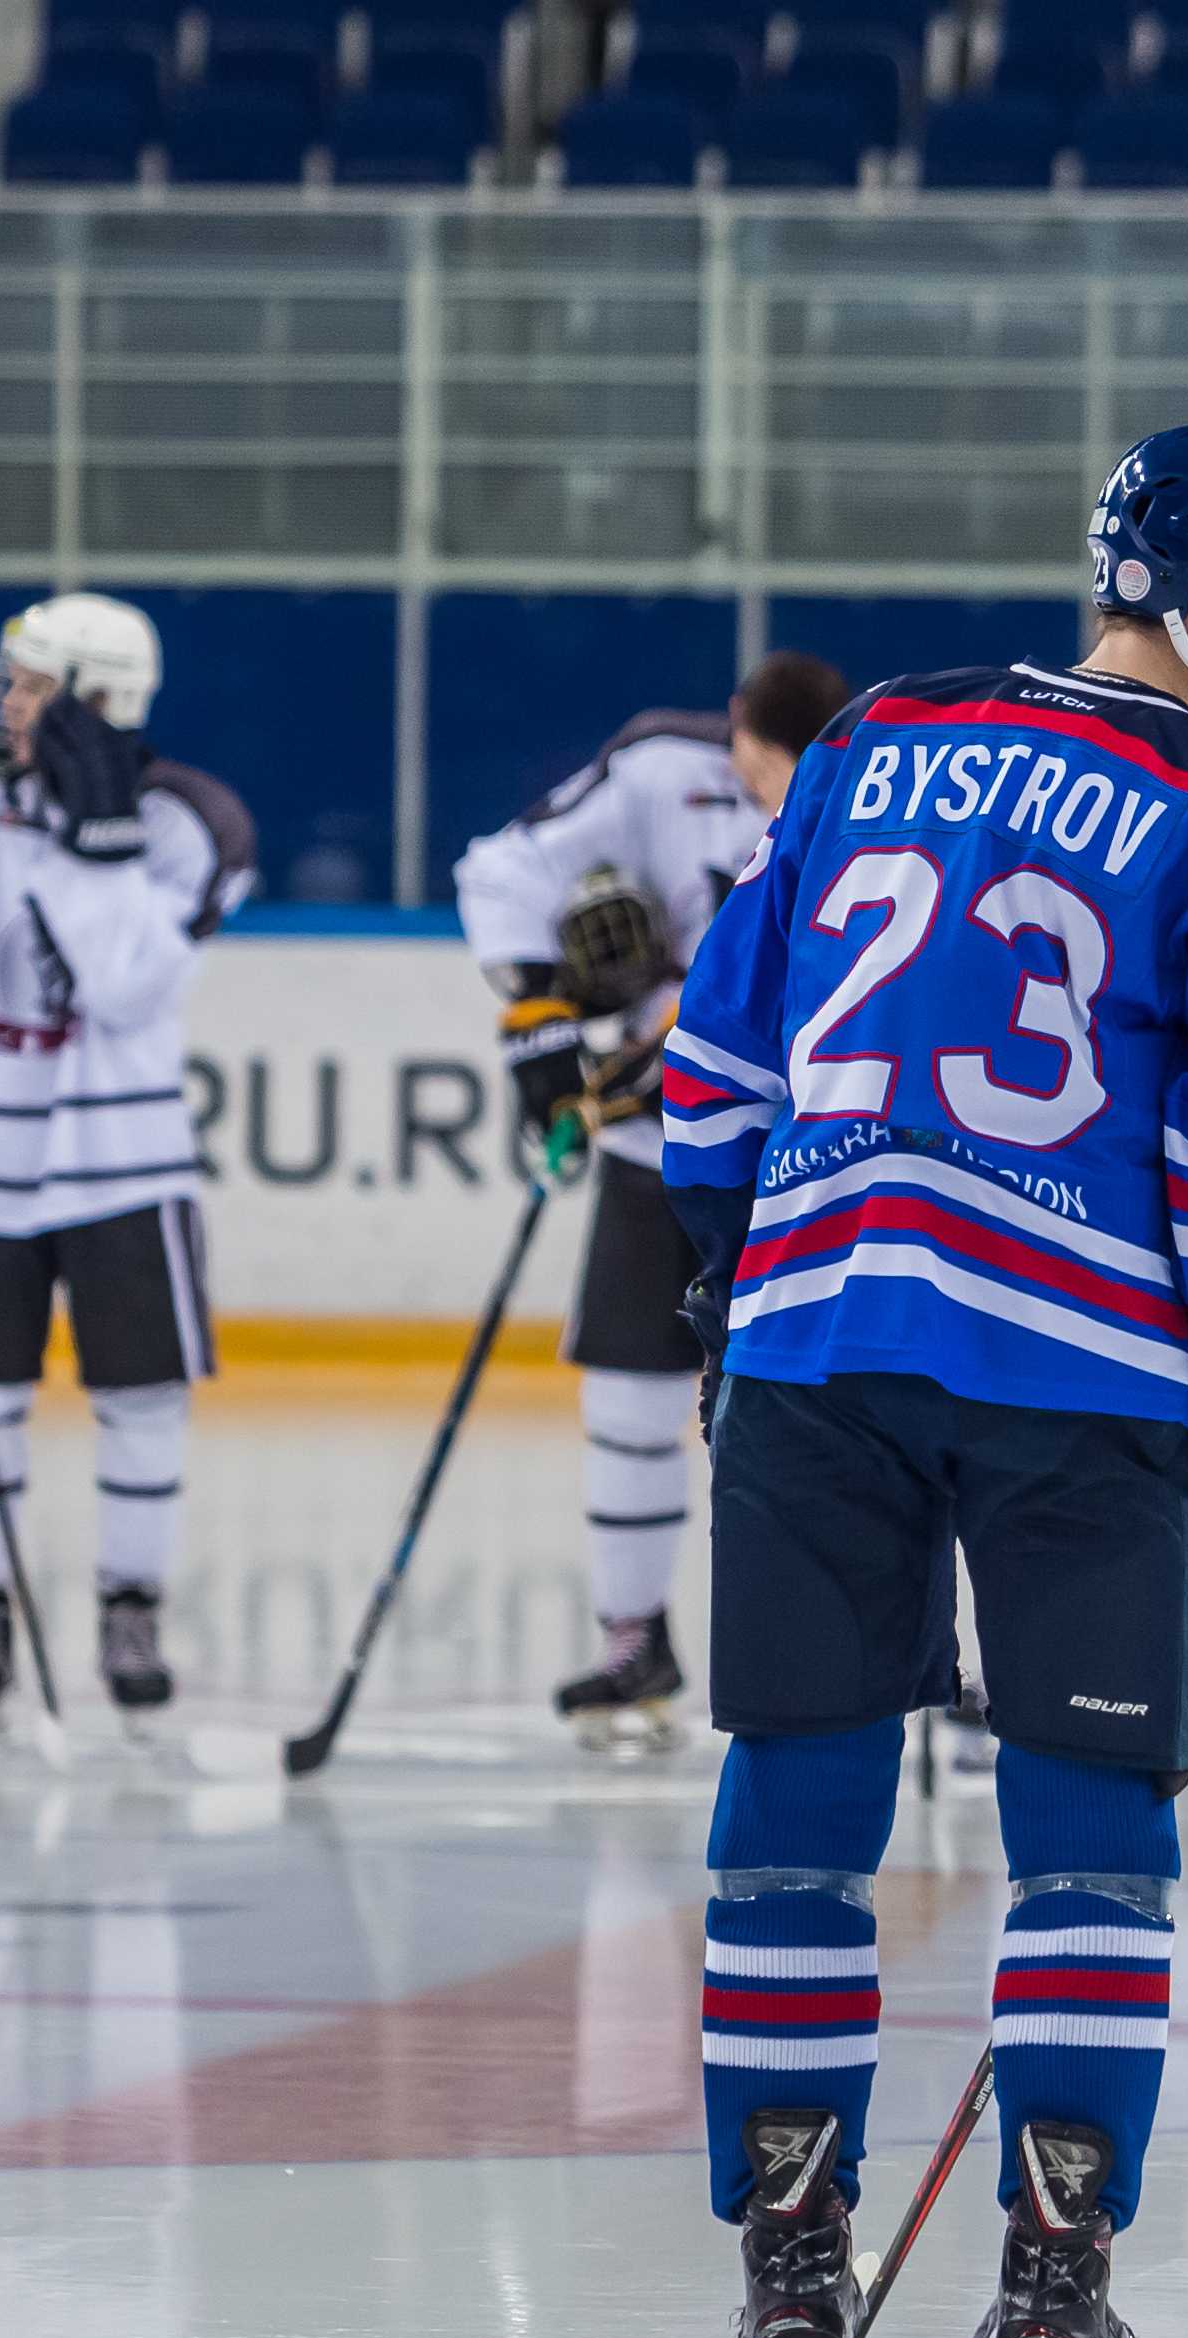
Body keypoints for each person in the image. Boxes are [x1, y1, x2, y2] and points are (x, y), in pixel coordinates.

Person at [658, 422, 1188, 2338]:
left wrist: (730, 1274)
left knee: (792, 1800)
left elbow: (718, 1054)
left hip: (817, 1335)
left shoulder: (877, 734)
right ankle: (1054, 2262)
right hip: (1080, 1372)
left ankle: (789, 2238)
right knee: (1090, 1827)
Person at [454, 649, 854, 1749]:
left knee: (833, 1427)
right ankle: (634, 1641)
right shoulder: (656, 771)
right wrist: (537, 1022)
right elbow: (501, 869)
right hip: (658, 1159)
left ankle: (851, 1652)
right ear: (740, 741)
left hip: (805, 1169)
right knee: (629, 1405)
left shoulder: (883, 796)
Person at [0, 595, 255, 1727]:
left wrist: (98, 842)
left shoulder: (193, 825)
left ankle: (130, 1609)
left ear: (96, 703)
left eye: (34, 685)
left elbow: (127, 987)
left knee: (142, 1399)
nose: (6, 702)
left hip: (124, 1160)